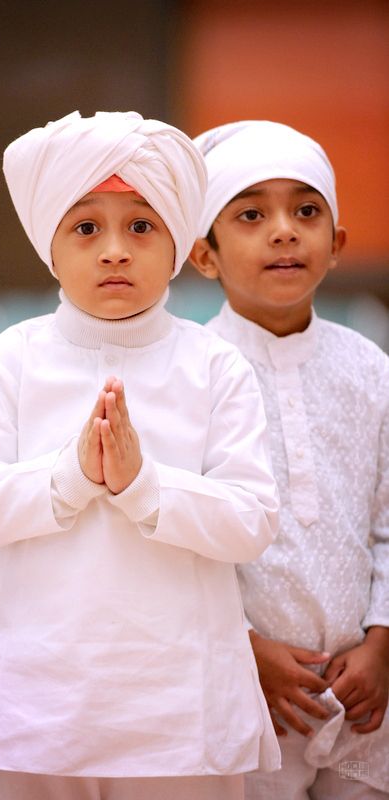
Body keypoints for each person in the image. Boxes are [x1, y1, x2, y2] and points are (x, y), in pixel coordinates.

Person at [0, 110, 281, 800]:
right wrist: (69, 477)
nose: (115, 251)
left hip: (177, 711)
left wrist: (143, 485)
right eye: (87, 228)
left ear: (178, 243)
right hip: (32, 701)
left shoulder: (216, 365)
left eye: (141, 226)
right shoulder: (11, 357)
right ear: (51, 247)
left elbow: (252, 522)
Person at [189, 120, 389, 799]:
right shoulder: (188, 375)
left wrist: (381, 644)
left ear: (335, 246)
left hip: (364, 701)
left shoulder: (370, 369)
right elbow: (174, 546)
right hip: (244, 694)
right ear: (205, 256)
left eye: (306, 211)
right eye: (251, 215)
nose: (283, 231)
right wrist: (244, 648)